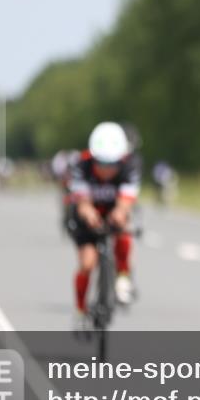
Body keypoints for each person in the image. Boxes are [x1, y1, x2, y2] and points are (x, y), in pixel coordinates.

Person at [67, 122, 141, 319]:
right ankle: (80, 309)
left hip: (112, 210)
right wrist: (89, 214)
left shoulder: (129, 167)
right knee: (88, 263)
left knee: (123, 228)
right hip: (86, 215)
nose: (106, 169)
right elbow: (82, 203)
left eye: (112, 164)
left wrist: (119, 213)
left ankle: (123, 277)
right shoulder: (81, 165)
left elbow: (125, 202)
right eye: (101, 163)